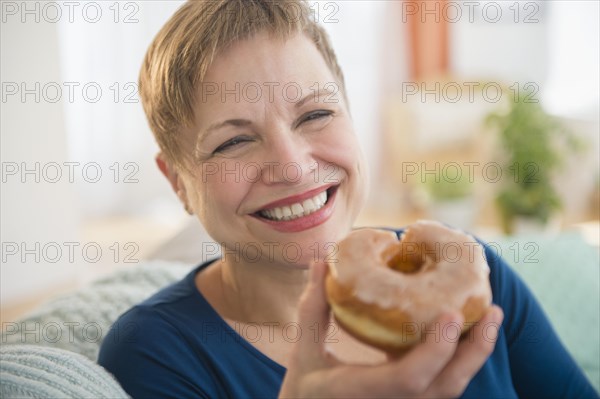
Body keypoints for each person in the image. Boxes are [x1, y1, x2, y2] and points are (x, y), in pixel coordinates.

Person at [98, 1, 598, 398]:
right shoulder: (158, 352)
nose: (293, 166)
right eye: (233, 141)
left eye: (315, 114)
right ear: (177, 182)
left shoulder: (471, 275)